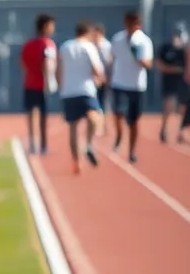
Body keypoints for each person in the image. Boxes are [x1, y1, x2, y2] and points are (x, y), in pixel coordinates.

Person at [57, 22, 105, 174]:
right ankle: (88, 145)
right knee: (94, 116)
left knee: (73, 127)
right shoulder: (88, 47)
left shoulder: (64, 47)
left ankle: (77, 159)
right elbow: (97, 69)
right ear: (88, 32)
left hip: (69, 91)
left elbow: (58, 69)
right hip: (86, 90)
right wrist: (100, 80)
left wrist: (61, 86)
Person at [109, 11, 154, 163]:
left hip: (136, 85)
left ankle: (132, 151)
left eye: (133, 25)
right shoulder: (118, 38)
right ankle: (119, 136)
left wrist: (139, 58)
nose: (130, 28)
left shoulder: (144, 41)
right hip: (119, 82)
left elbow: (148, 64)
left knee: (134, 120)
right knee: (118, 113)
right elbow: (112, 58)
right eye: (128, 24)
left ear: (138, 25)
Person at [20, 14, 58, 155]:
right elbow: (48, 63)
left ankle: (32, 143)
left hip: (29, 83)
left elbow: (22, 64)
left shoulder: (28, 44)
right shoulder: (48, 44)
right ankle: (43, 144)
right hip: (43, 85)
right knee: (43, 116)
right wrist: (51, 80)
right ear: (45, 26)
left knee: (31, 114)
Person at [156, 26, 188, 144]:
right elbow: (160, 66)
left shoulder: (185, 50)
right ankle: (164, 129)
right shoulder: (165, 48)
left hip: (183, 84)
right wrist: (174, 69)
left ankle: (180, 132)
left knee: (183, 109)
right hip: (169, 83)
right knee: (168, 107)